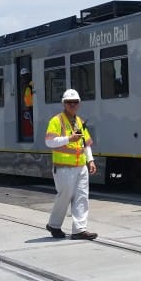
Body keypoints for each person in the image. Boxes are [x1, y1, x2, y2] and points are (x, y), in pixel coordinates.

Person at [44, 89, 98, 239]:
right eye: (69, 102)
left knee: (82, 197)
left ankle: (79, 230)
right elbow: (49, 142)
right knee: (64, 196)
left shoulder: (79, 121)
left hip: (81, 167)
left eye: (75, 102)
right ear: (64, 104)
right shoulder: (56, 121)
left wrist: (90, 160)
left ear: (79, 104)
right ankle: (54, 225)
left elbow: (86, 143)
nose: (72, 105)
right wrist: (69, 139)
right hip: (63, 168)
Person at [19, 68, 34, 138]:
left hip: (31, 107)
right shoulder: (22, 86)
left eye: (25, 75)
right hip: (27, 108)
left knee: (32, 123)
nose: (24, 78)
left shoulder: (31, 83)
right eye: (23, 76)